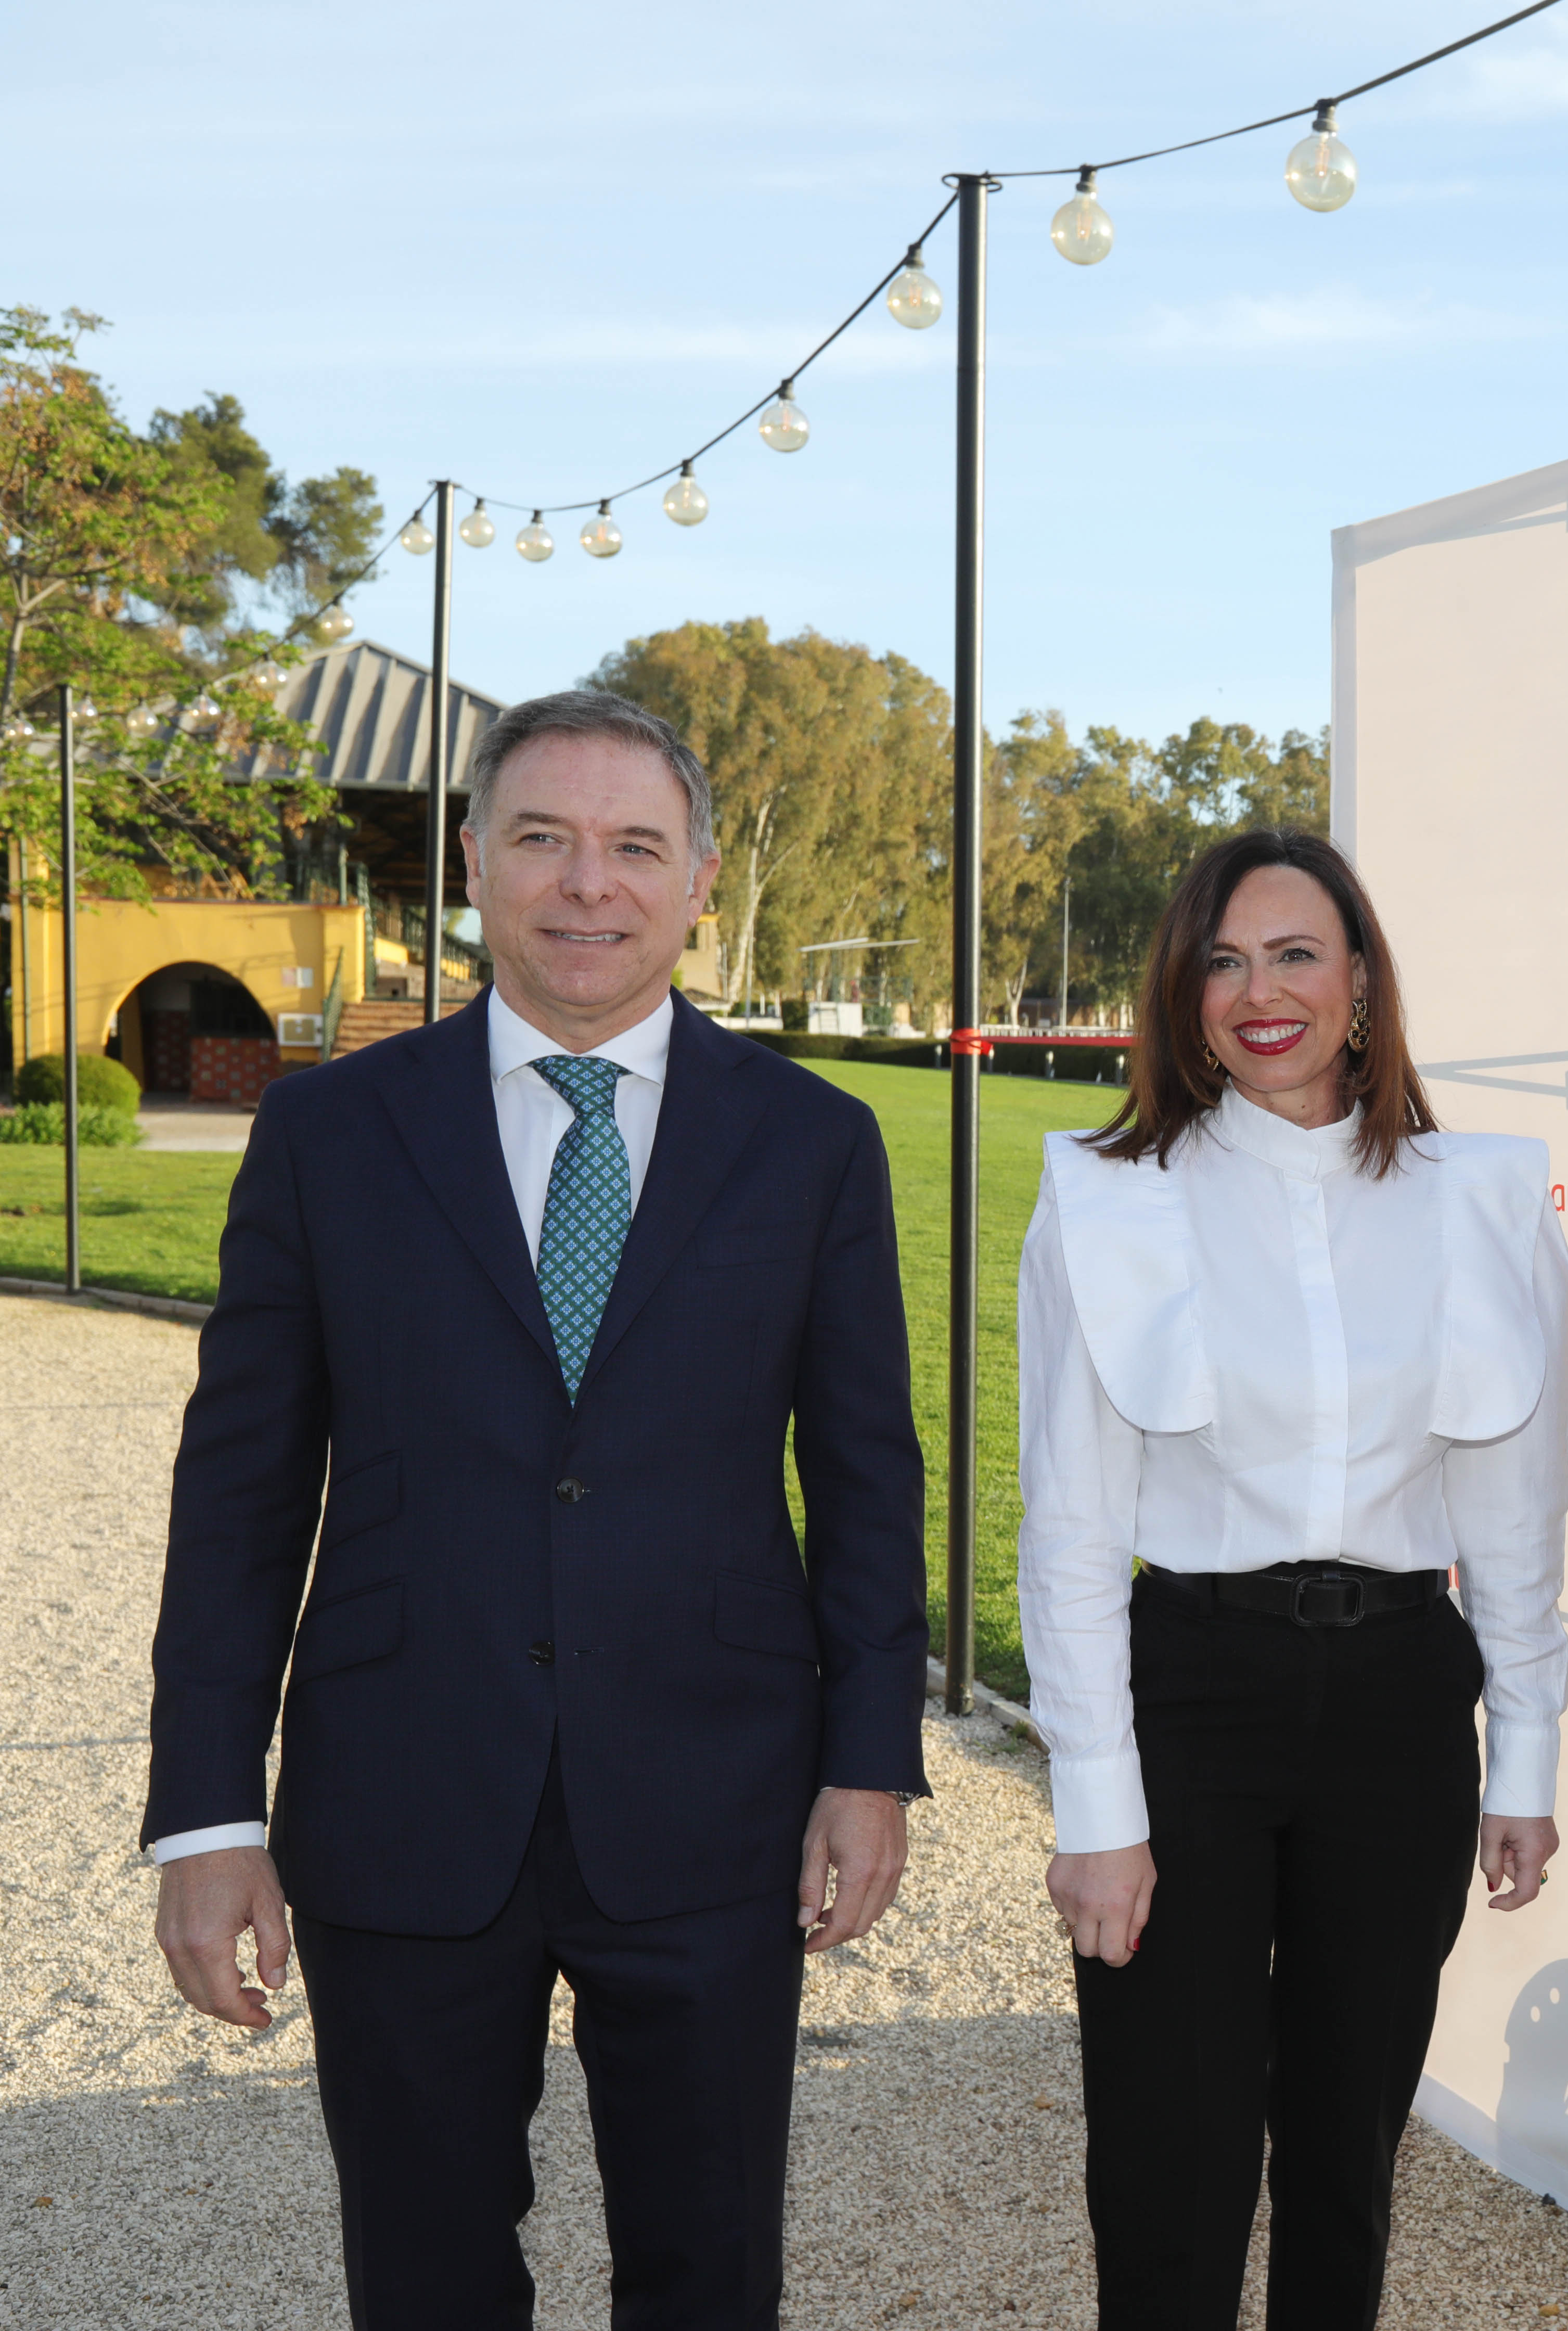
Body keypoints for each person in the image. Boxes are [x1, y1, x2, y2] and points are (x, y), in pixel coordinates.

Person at [143, 689, 929, 2328]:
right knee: (423, 2273)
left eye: (635, 846)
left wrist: (868, 1761)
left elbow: (866, 1480)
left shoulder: (813, 1144)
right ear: (474, 861)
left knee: (708, 2267)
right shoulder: (329, 1131)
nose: (591, 885)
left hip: (717, 1799)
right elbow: (240, 1487)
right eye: (546, 840)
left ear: (700, 879)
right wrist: (210, 1818)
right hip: (402, 1792)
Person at [1018, 827, 1568, 2330]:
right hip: (1189, 1690)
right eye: (1221, 961)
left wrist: (1523, 1753)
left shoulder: (1485, 1203)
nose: (1259, 993)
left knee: (1349, 2148)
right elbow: (1069, 1529)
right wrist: (1095, 1808)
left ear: (1364, 980)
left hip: (1400, 1700)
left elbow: (1514, 1506)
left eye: (1296, 954)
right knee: (1169, 2150)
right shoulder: (1108, 1201)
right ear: (1181, 993)